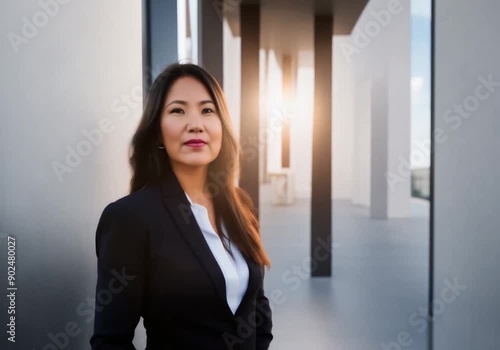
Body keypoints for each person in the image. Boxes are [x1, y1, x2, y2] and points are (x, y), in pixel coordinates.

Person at [89, 63, 273, 350]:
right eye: (178, 110)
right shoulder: (130, 218)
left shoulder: (241, 204)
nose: (195, 123)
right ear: (158, 132)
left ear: (221, 125)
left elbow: (257, 308)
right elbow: (111, 341)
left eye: (207, 110)